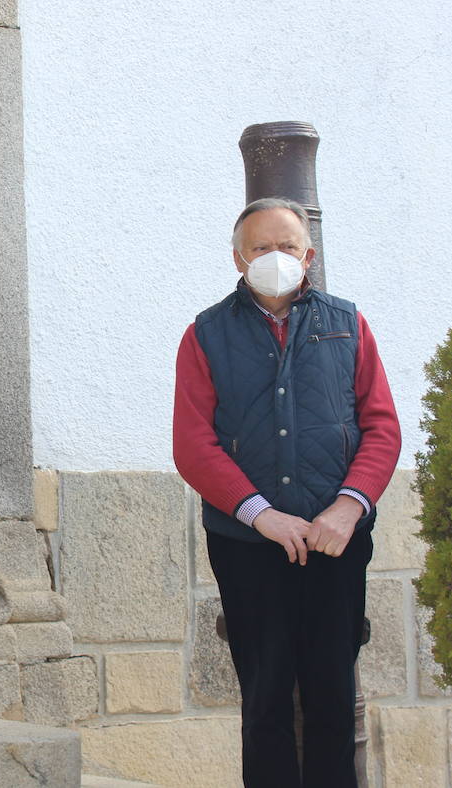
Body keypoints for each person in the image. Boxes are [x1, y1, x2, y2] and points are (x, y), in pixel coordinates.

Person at [173, 198, 400, 787]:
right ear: (238, 258)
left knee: (333, 697)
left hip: (335, 541)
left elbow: (381, 427)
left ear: (308, 254)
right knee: (264, 701)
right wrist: (261, 515)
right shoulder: (205, 335)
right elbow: (193, 444)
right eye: (261, 247)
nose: (275, 257)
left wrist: (347, 508)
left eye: (287, 246)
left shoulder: (348, 324)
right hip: (248, 544)